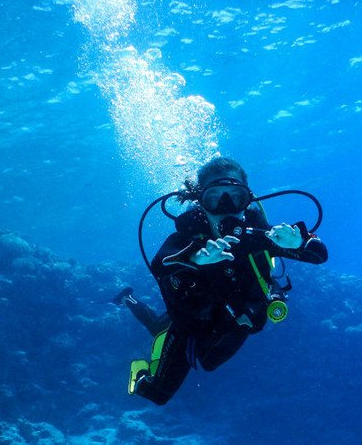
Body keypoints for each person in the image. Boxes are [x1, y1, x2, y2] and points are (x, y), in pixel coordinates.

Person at [124, 157, 328, 405]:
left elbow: (318, 253)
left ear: (248, 199)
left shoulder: (260, 234)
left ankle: (143, 314)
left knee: (208, 363)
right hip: (190, 322)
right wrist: (196, 258)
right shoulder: (190, 234)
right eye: (215, 197)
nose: (226, 206)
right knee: (156, 395)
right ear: (200, 201)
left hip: (236, 320)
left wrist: (297, 243)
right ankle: (136, 343)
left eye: (235, 196)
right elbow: (160, 264)